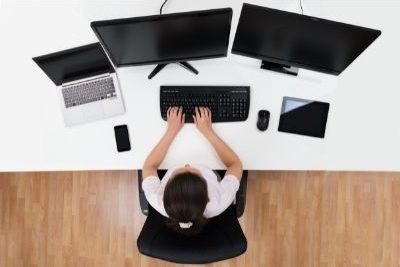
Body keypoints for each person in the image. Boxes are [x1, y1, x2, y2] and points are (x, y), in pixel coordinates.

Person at [142, 106, 243, 236]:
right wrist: (208, 131)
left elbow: (149, 166)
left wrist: (171, 131)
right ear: (208, 196)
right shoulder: (219, 201)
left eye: (178, 171)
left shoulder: (156, 199)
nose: (188, 164)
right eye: (195, 171)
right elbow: (235, 165)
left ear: (165, 191)